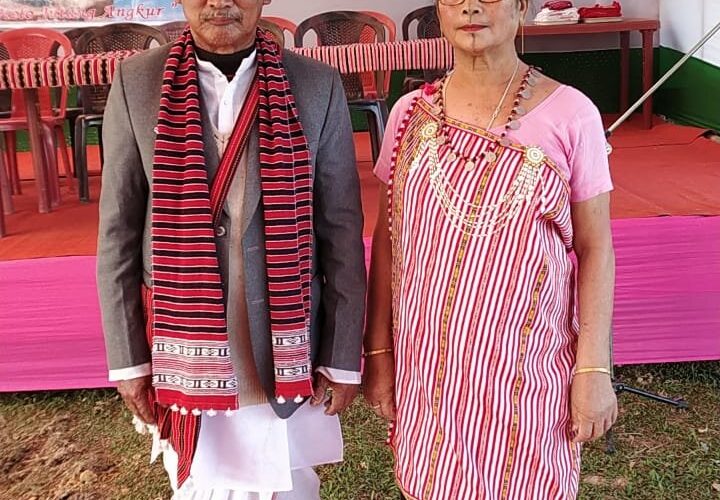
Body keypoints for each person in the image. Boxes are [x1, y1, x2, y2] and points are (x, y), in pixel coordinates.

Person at [96, 0, 367, 497]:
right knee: (199, 486)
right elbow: (118, 233)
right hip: (184, 347)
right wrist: (129, 361)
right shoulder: (137, 83)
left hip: (284, 347)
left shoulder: (315, 85)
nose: (220, 2)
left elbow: (342, 230)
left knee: (289, 484)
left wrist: (342, 355)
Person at [363, 0, 617, 498]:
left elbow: (596, 249)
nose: (471, 7)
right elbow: (388, 240)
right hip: (429, 370)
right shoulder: (408, 115)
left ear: (521, 8)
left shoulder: (572, 113)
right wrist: (378, 352)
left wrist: (593, 368)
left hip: (527, 371)